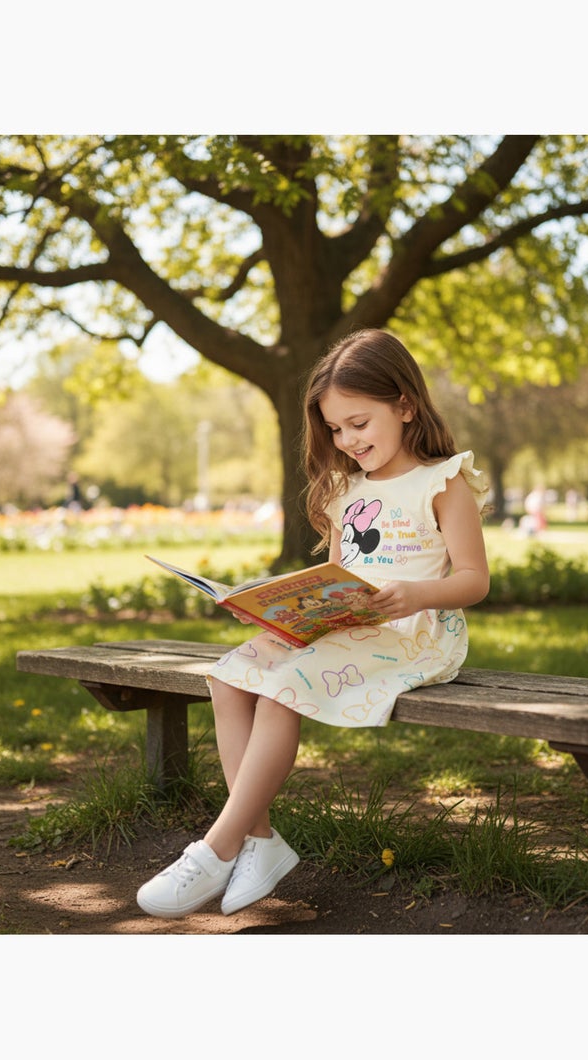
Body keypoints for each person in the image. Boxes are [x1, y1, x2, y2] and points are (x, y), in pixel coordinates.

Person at [136, 328, 491, 919]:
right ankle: (260, 840)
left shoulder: (442, 480)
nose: (347, 439)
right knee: (229, 677)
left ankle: (218, 846)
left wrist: (415, 593)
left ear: (404, 405)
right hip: (350, 628)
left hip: (416, 634)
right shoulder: (345, 490)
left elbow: (475, 579)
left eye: (359, 422)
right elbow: (334, 577)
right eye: (335, 429)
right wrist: (289, 614)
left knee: (279, 692)